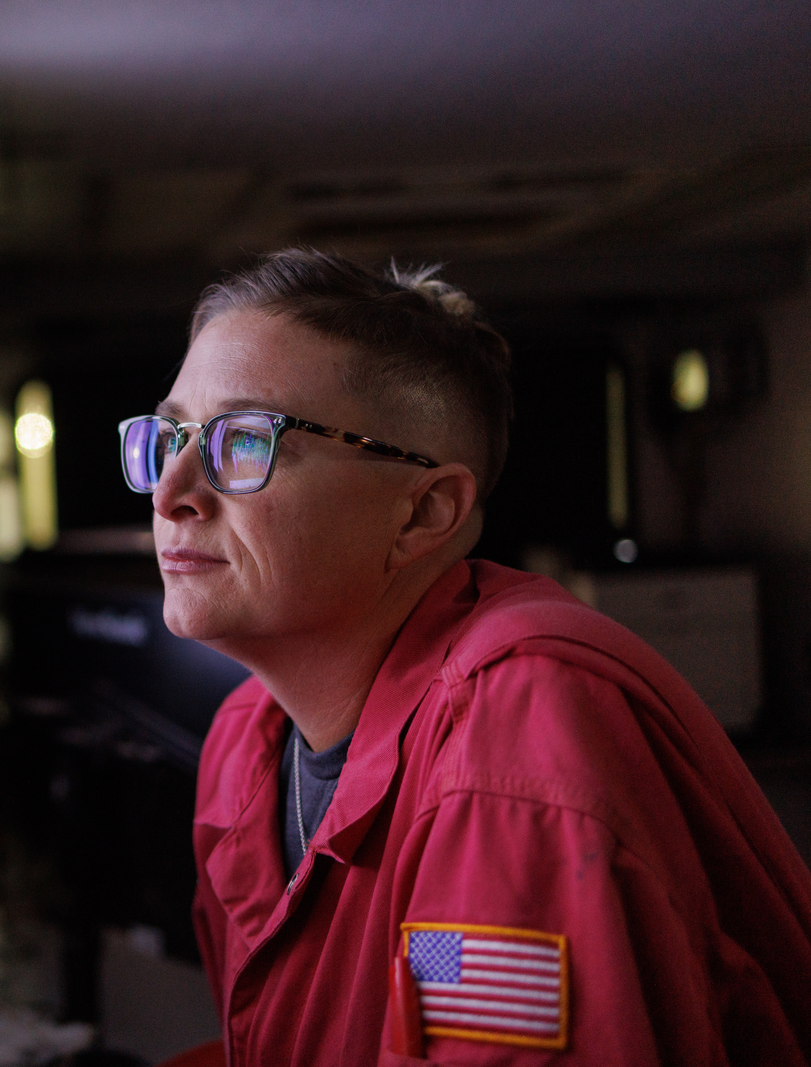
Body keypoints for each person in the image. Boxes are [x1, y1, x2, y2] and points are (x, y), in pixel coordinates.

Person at [120, 250, 811, 1065]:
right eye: (168, 438)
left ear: (424, 512)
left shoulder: (516, 742)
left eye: (244, 441)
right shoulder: (246, 743)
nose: (170, 492)